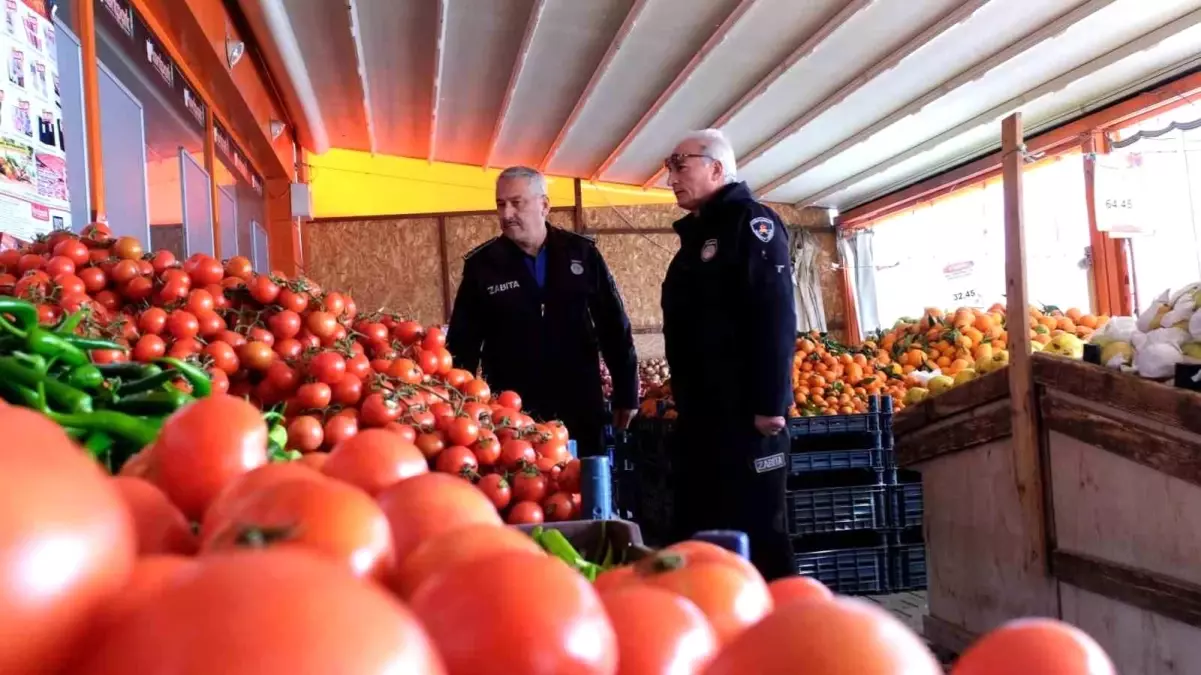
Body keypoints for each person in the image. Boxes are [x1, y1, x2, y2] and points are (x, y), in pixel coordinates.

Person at [660, 129, 797, 581]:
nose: (671, 178)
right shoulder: (696, 236)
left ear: (717, 168)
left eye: (680, 164)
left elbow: (774, 312)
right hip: (704, 418)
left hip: (746, 419)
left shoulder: (751, 224)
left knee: (758, 536)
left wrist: (770, 404)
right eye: (670, 167)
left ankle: (780, 635)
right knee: (707, 534)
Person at [447, 166, 639, 458]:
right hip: (514, 410)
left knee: (585, 488)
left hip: (580, 402)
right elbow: (463, 344)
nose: (506, 213)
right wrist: (460, 406)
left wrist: (627, 391)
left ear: (544, 205)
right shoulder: (483, 265)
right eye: (501, 204)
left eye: (516, 203)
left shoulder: (582, 253)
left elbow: (613, 325)